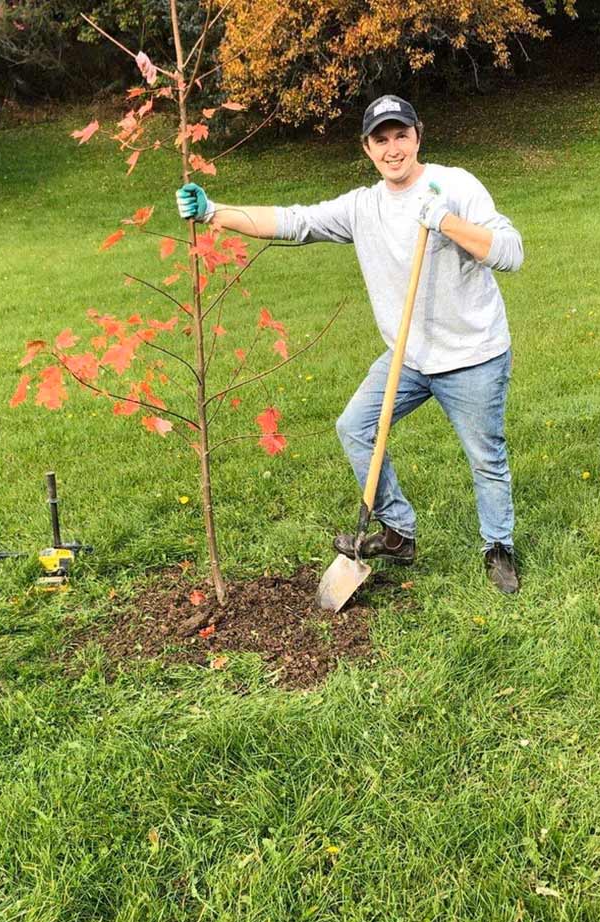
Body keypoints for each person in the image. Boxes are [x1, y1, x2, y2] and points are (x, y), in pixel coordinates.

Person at [175, 94, 524, 594]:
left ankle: (498, 547)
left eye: (400, 135)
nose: (393, 148)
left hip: (473, 355)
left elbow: (511, 253)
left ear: (417, 136)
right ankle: (398, 531)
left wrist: (445, 220)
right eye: (381, 140)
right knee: (356, 427)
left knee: (485, 458)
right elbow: (295, 221)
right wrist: (215, 212)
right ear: (367, 149)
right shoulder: (363, 207)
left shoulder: (457, 185)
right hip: (407, 358)